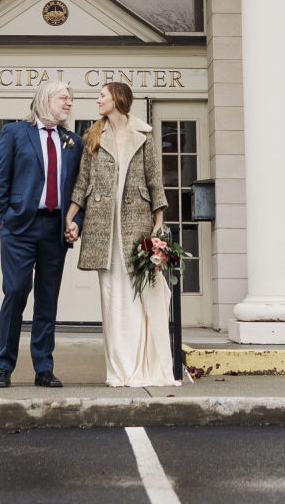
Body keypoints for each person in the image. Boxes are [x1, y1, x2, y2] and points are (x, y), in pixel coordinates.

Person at [69, 80, 180, 388]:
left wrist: (159, 222)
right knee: (111, 299)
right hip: (102, 228)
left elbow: (155, 180)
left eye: (101, 95)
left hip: (137, 226)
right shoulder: (92, 136)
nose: (97, 100)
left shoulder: (143, 135)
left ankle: (141, 366)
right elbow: (82, 182)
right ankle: (118, 369)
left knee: (136, 297)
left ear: (117, 99)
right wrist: (70, 217)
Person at [0, 78, 82, 388]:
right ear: (45, 99)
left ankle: (44, 368)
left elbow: (79, 190)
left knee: (47, 299)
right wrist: (2, 218)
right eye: (63, 97)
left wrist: (76, 221)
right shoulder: (15, 133)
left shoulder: (72, 141)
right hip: (19, 228)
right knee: (15, 293)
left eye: (70, 98)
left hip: (54, 229)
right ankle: (3, 366)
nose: (69, 103)